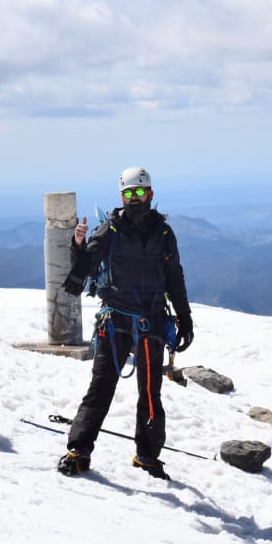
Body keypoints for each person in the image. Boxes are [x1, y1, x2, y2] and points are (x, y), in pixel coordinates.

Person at [56, 166, 195, 480]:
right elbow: (88, 264)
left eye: (139, 192)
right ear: (122, 196)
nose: (134, 198)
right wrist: (77, 245)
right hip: (117, 318)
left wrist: (185, 319)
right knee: (101, 387)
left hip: (151, 320)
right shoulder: (110, 230)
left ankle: (147, 456)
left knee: (150, 391)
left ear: (150, 193)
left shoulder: (163, 233)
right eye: (128, 193)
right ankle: (78, 450)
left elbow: (174, 278)